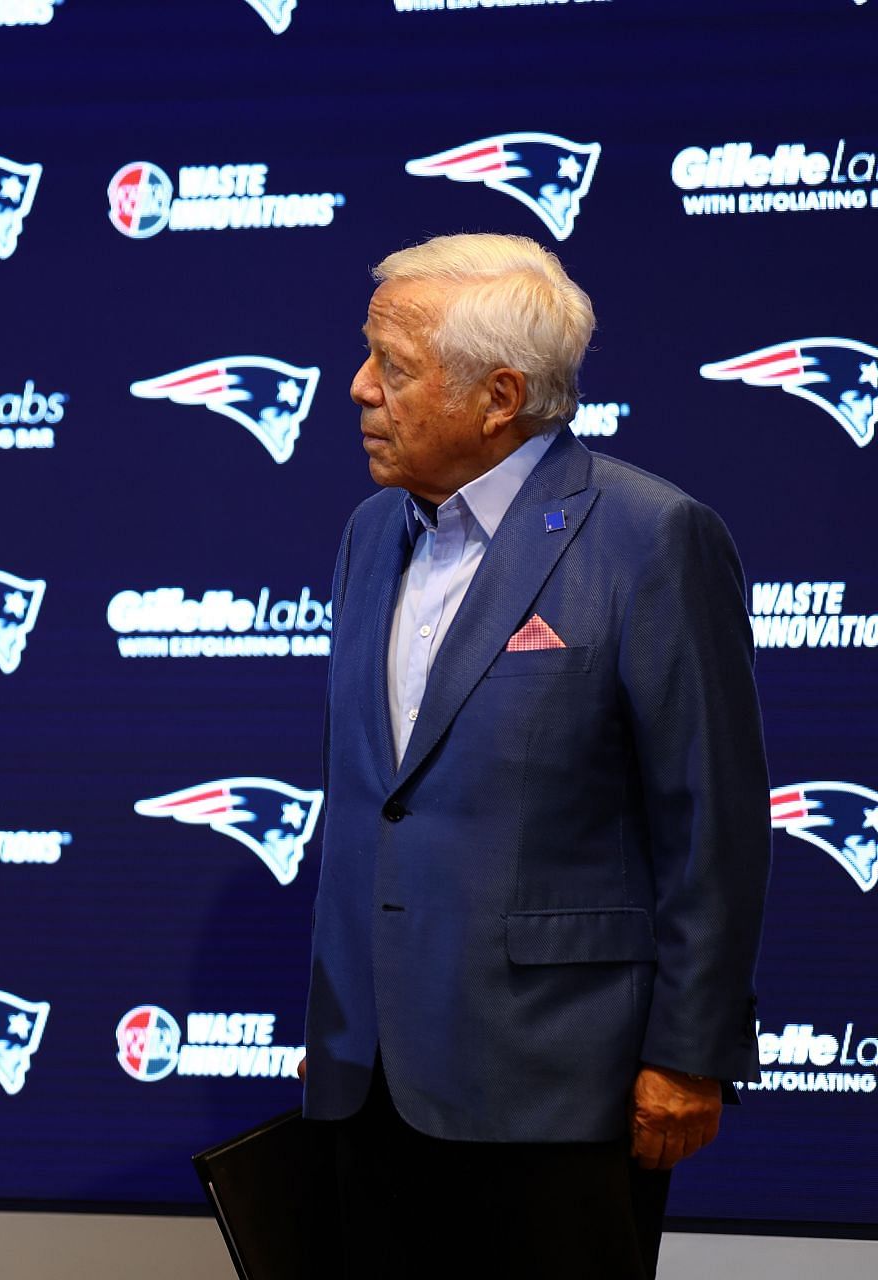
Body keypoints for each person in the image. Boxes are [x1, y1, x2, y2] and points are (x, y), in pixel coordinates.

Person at [301, 233, 770, 1276]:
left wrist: (688, 1053)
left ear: (498, 395)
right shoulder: (368, 535)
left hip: (561, 1084)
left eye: (395, 366)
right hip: (368, 1077)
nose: (359, 387)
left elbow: (713, 819)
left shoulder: (652, 536)